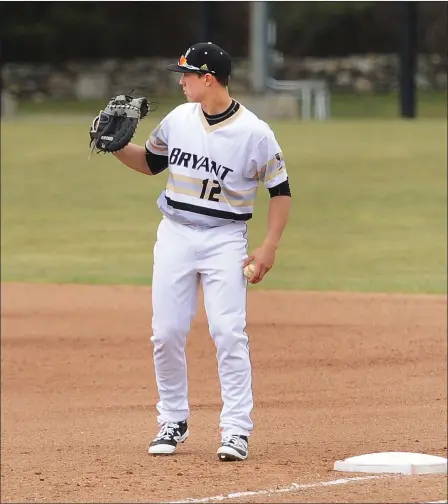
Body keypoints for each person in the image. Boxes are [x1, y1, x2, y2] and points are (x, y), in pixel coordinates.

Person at [112, 42, 291, 461]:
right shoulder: (178, 120)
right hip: (174, 234)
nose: (181, 81)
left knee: (228, 333)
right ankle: (172, 419)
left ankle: (236, 430)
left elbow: (280, 192)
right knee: (166, 332)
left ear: (208, 78)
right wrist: (116, 146)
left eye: (187, 74)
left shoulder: (255, 133)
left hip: (224, 240)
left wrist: (269, 246)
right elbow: (151, 164)